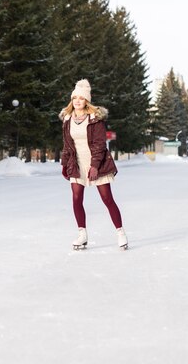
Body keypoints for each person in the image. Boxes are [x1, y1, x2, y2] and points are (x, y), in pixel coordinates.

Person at [59, 79, 128, 250]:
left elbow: (99, 145)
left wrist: (95, 166)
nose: (77, 101)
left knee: (107, 199)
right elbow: (67, 145)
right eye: (75, 98)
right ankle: (82, 234)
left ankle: (120, 232)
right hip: (77, 164)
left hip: (97, 163)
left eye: (81, 98)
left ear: (86, 101)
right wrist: (64, 164)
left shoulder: (95, 119)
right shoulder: (67, 119)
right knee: (76, 199)